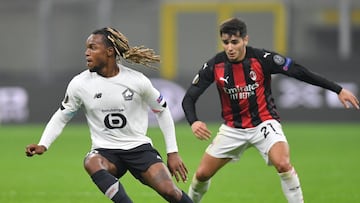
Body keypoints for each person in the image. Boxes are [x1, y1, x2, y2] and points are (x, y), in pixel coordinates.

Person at [182, 17, 360, 203]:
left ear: (245, 39)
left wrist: (337, 89)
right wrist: (194, 121)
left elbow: (299, 71)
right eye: (225, 43)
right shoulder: (214, 65)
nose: (230, 48)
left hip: (264, 123)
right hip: (233, 129)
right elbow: (189, 98)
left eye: (234, 42)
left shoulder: (262, 59)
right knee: (202, 174)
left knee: (282, 163)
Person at [25, 27, 193, 203]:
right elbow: (62, 115)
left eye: (92, 47)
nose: (86, 53)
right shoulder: (79, 84)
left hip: (138, 148)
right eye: (87, 48)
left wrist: (172, 152)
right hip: (106, 151)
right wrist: (43, 144)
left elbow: (163, 110)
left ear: (109, 51)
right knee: (91, 161)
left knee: (171, 192)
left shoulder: (137, 80)